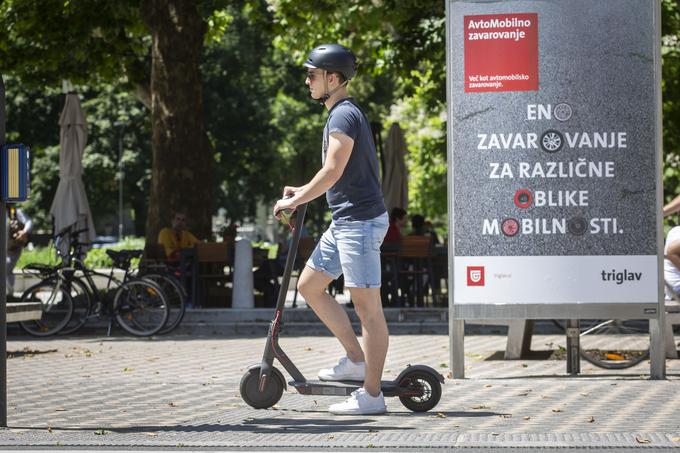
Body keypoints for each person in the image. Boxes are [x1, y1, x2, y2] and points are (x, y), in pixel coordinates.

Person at [272, 43, 389, 415]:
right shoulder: (343, 113)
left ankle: (372, 396)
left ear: (333, 79)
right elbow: (335, 173)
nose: (307, 81)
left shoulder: (343, 116)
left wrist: (295, 201)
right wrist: (301, 191)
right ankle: (355, 359)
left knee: (368, 309)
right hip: (346, 221)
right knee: (309, 285)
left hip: (360, 222)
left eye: (313, 75)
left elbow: (333, 170)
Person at [7, 204, 32, 297]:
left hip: (13, 248)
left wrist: (24, 232)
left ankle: (9, 294)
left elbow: (29, 221)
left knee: (6, 269)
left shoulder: (14, 212)